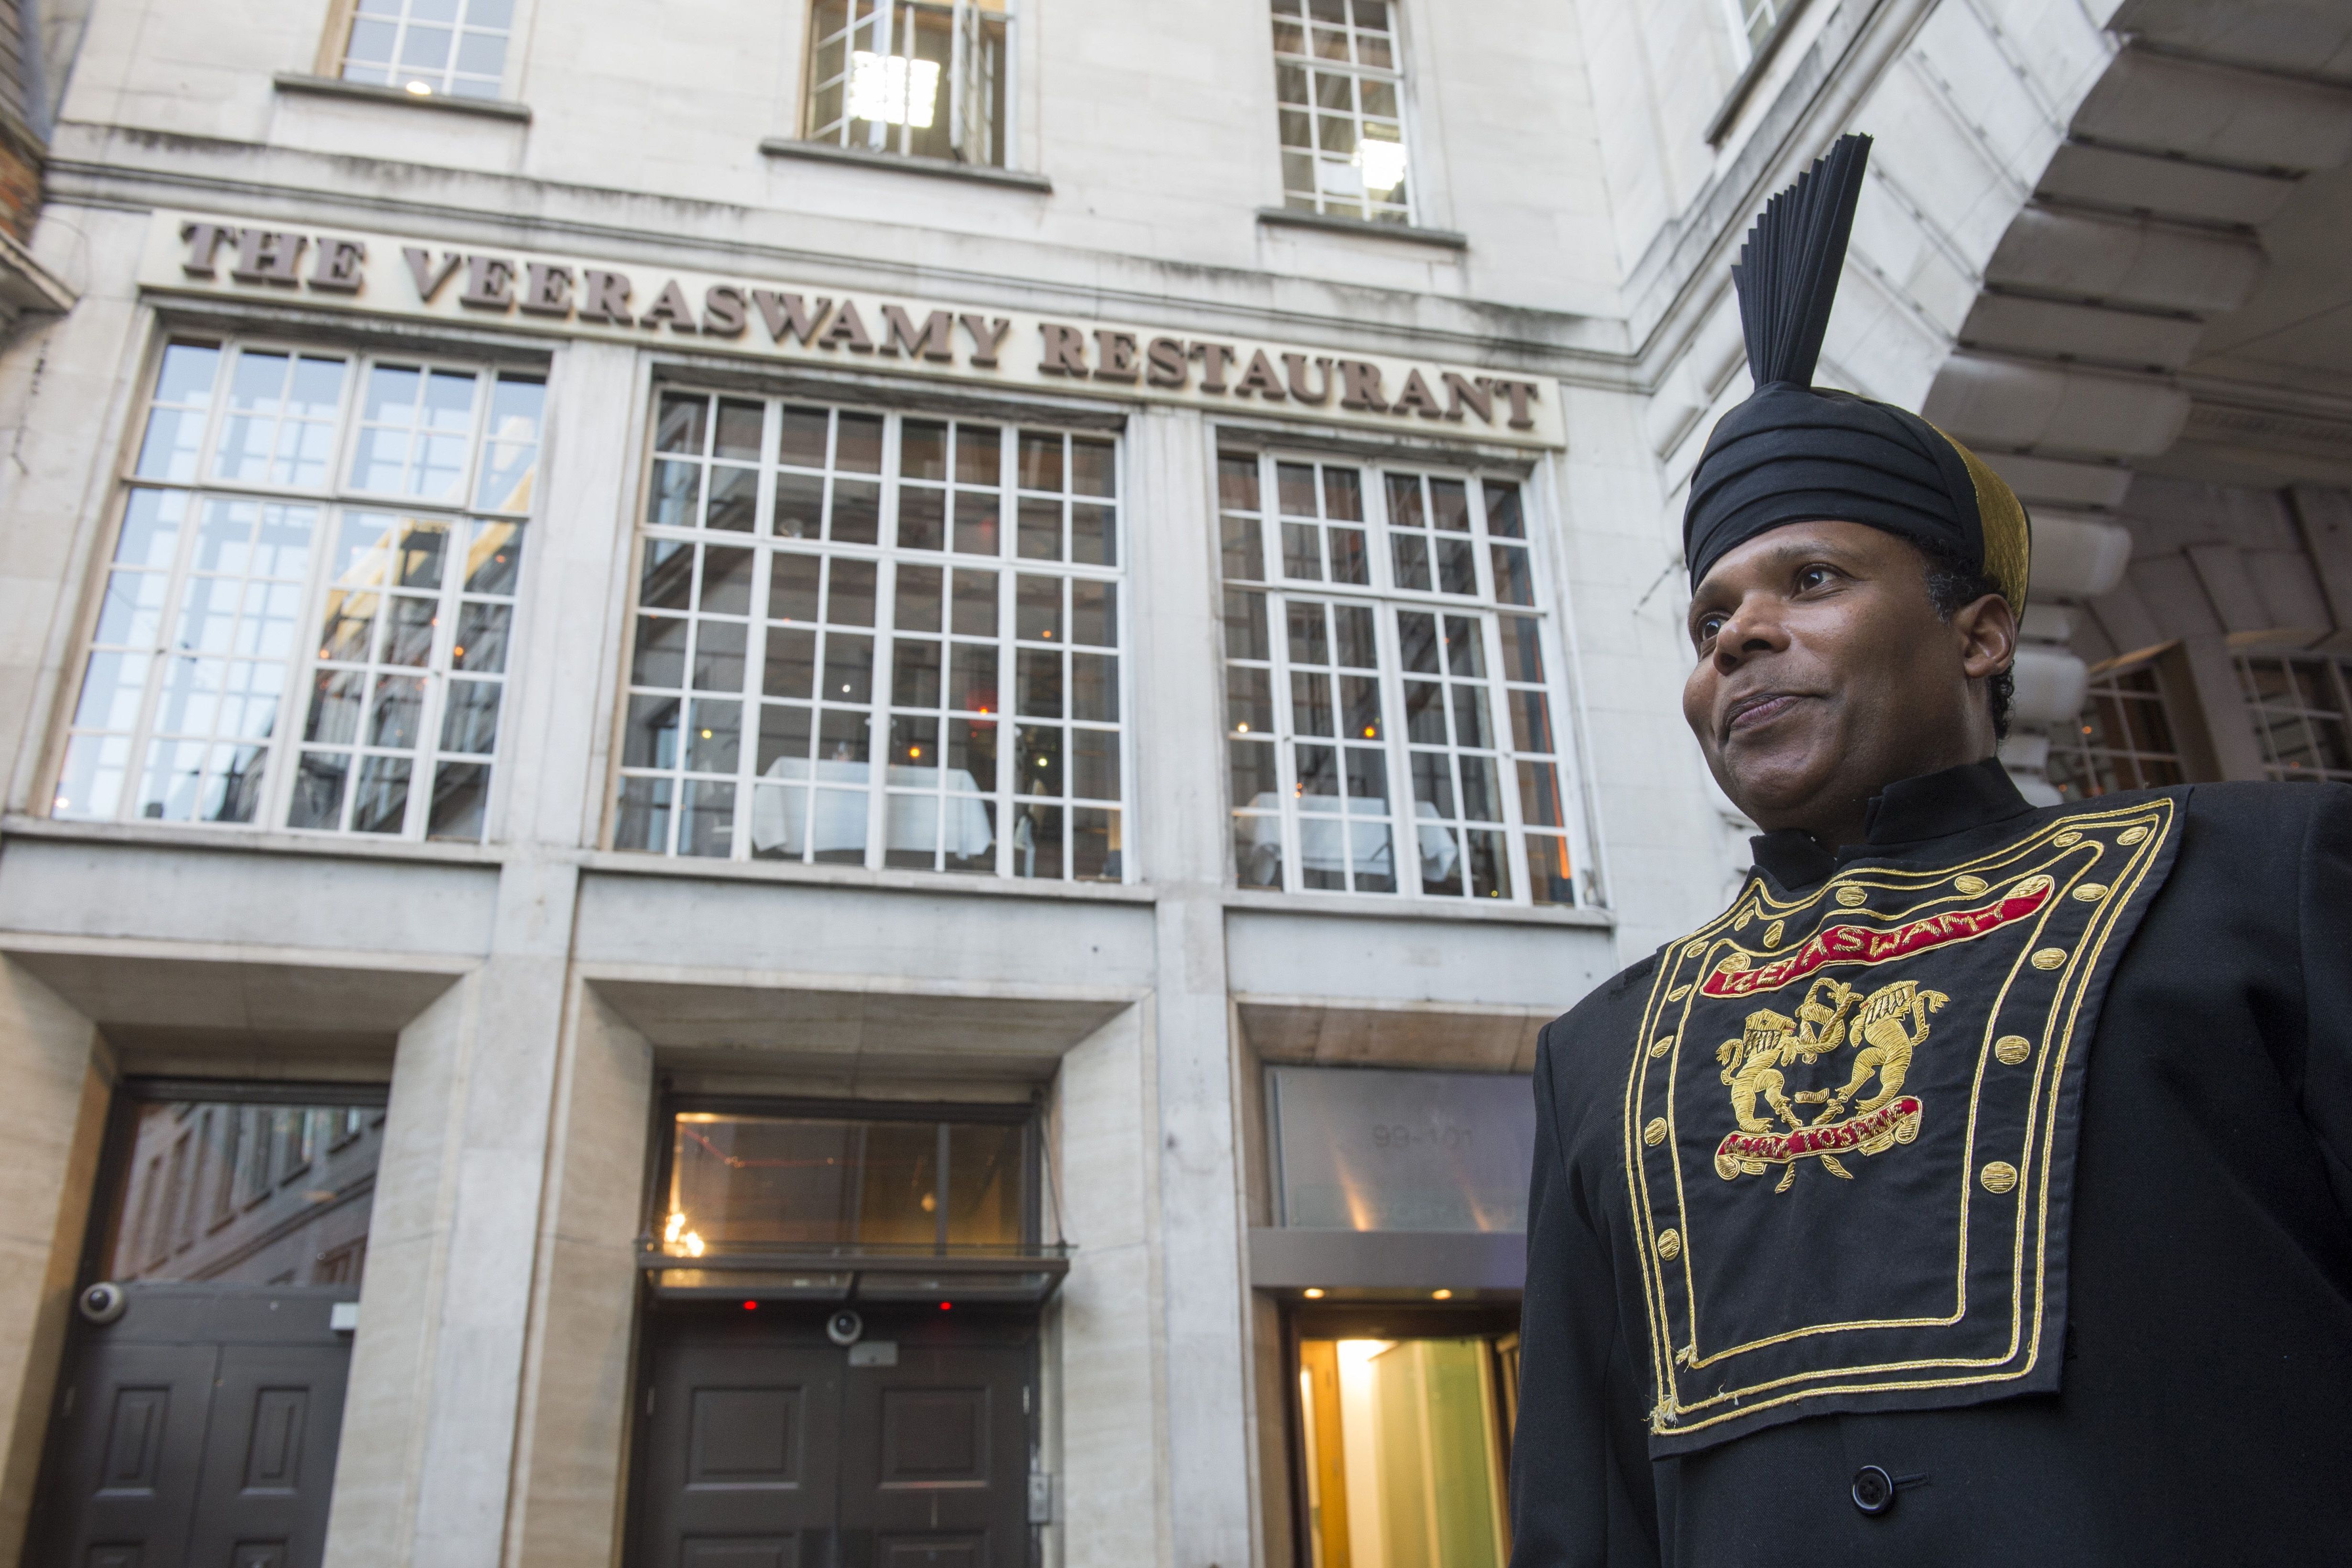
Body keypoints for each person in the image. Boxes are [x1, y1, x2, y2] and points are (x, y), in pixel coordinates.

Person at [1510, 133, 2352, 1566]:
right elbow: (1585, 1517)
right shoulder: (1604, 1050)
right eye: (1709, 621)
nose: (1741, 639)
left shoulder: (2257, 888)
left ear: (1980, 631)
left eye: (1812, 581)